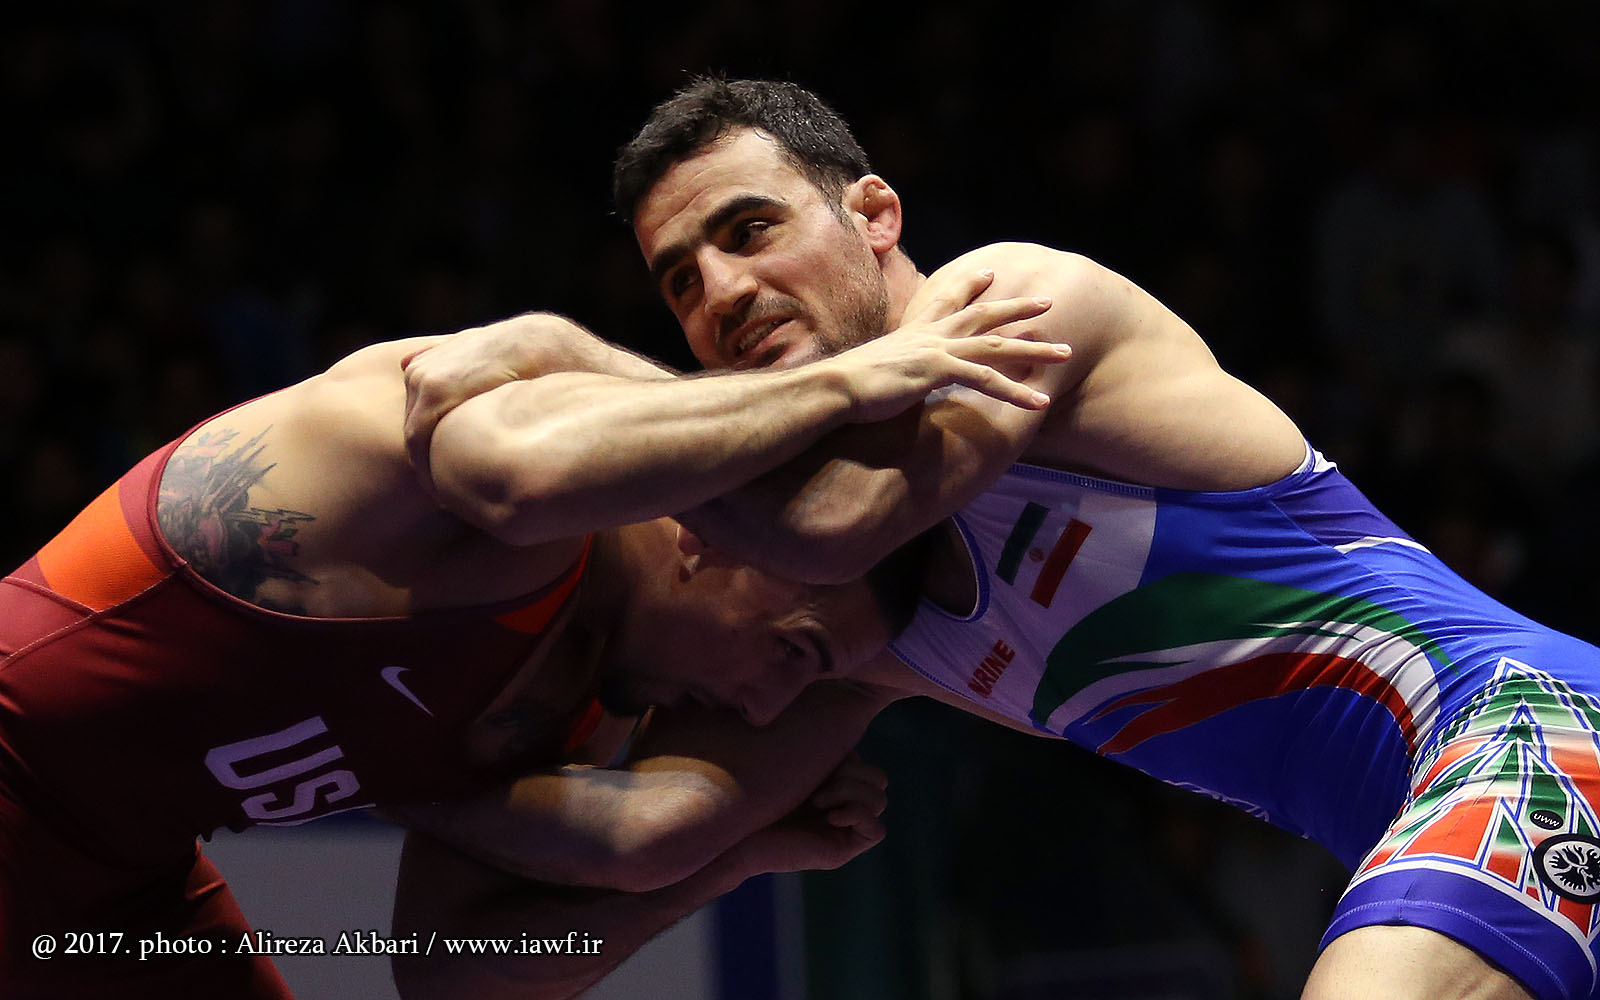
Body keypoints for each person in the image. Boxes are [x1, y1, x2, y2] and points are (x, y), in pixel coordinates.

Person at [404, 78, 1600, 1000]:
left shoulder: (1012, 304)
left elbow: (833, 523)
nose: (720, 292)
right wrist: (400, 774)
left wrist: (573, 359)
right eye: (678, 283)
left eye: (750, 229)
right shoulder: (843, 635)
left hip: (1529, 725)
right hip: (1425, 816)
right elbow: (505, 936)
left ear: (874, 213)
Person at [0, 296, 1065, 999]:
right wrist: (844, 385)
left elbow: (451, 974)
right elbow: (520, 475)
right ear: (720, 535)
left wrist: (722, 861)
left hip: (119, 895)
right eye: (794, 651)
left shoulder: (563, 709)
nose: (762, 708)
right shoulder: (505, 466)